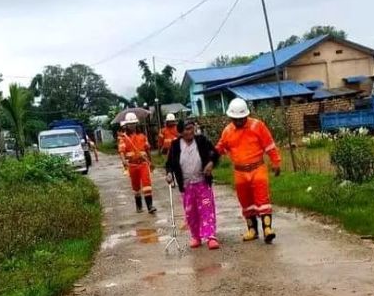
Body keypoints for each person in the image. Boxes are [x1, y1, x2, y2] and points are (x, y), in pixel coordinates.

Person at [215, 99, 282, 243]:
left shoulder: (258, 126)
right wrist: (209, 157)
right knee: (245, 201)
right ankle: (252, 230)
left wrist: (276, 162)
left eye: (241, 118)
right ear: (231, 118)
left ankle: (267, 229)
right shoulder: (227, 131)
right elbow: (220, 148)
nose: (239, 121)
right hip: (240, 172)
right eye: (235, 119)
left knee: (262, 199)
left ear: (246, 115)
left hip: (258, 168)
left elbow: (269, 145)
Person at [165, 119, 220, 250]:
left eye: (191, 128)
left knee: (206, 208)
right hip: (186, 186)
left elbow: (215, 154)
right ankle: (196, 236)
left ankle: (210, 236)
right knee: (191, 212)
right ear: (181, 132)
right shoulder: (175, 145)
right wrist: (169, 174)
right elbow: (169, 164)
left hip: (202, 183)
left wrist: (210, 163)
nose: (190, 131)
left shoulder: (201, 141)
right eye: (187, 129)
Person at [118, 112, 157, 214]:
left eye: (134, 123)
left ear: (136, 124)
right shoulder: (123, 138)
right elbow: (121, 151)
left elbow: (147, 149)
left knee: (147, 184)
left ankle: (150, 206)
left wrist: (150, 162)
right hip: (132, 165)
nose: (132, 126)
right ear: (126, 125)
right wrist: (123, 161)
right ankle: (139, 206)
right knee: (136, 187)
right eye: (130, 124)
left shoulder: (142, 136)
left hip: (143, 163)